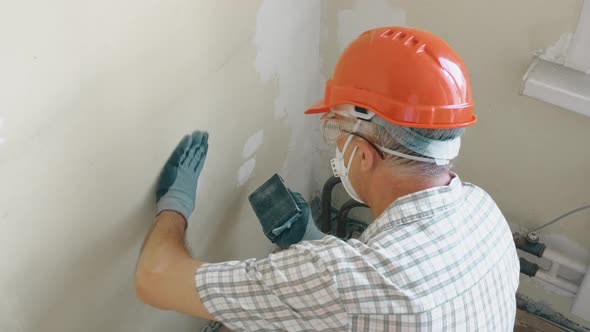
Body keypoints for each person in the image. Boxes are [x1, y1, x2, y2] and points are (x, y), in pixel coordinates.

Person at [135, 26, 520, 331]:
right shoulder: (484, 211)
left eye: (337, 134)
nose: (336, 149)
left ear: (365, 154)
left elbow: (155, 279)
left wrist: (176, 202)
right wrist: (313, 244)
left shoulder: (341, 282)